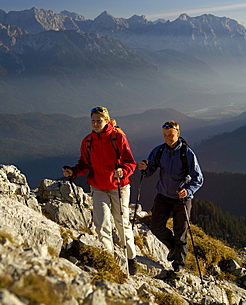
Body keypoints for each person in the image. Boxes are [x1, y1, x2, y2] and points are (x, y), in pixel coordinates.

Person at [63, 106, 138, 275]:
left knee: (121, 222)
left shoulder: (117, 137)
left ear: (107, 121)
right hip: (98, 187)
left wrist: (123, 171)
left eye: (99, 120)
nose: (95, 124)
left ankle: (131, 258)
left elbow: (130, 162)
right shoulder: (88, 141)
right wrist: (73, 172)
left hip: (119, 186)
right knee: (102, 224)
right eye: (93, 121)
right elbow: (84, 163)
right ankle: (109, 261)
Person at [138, 120, 203, 279]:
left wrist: (187, 191)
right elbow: (151, 168)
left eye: (171, 135)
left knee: (180, 232)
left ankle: (179, 267)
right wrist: (145, 169)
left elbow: (198, 178)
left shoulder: (187, 153)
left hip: (182, 198)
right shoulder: (159, 151)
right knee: (155, 227)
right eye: (165, 135)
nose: (168, 138)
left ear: (178, 134)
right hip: (163, 196)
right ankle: (173, 248)